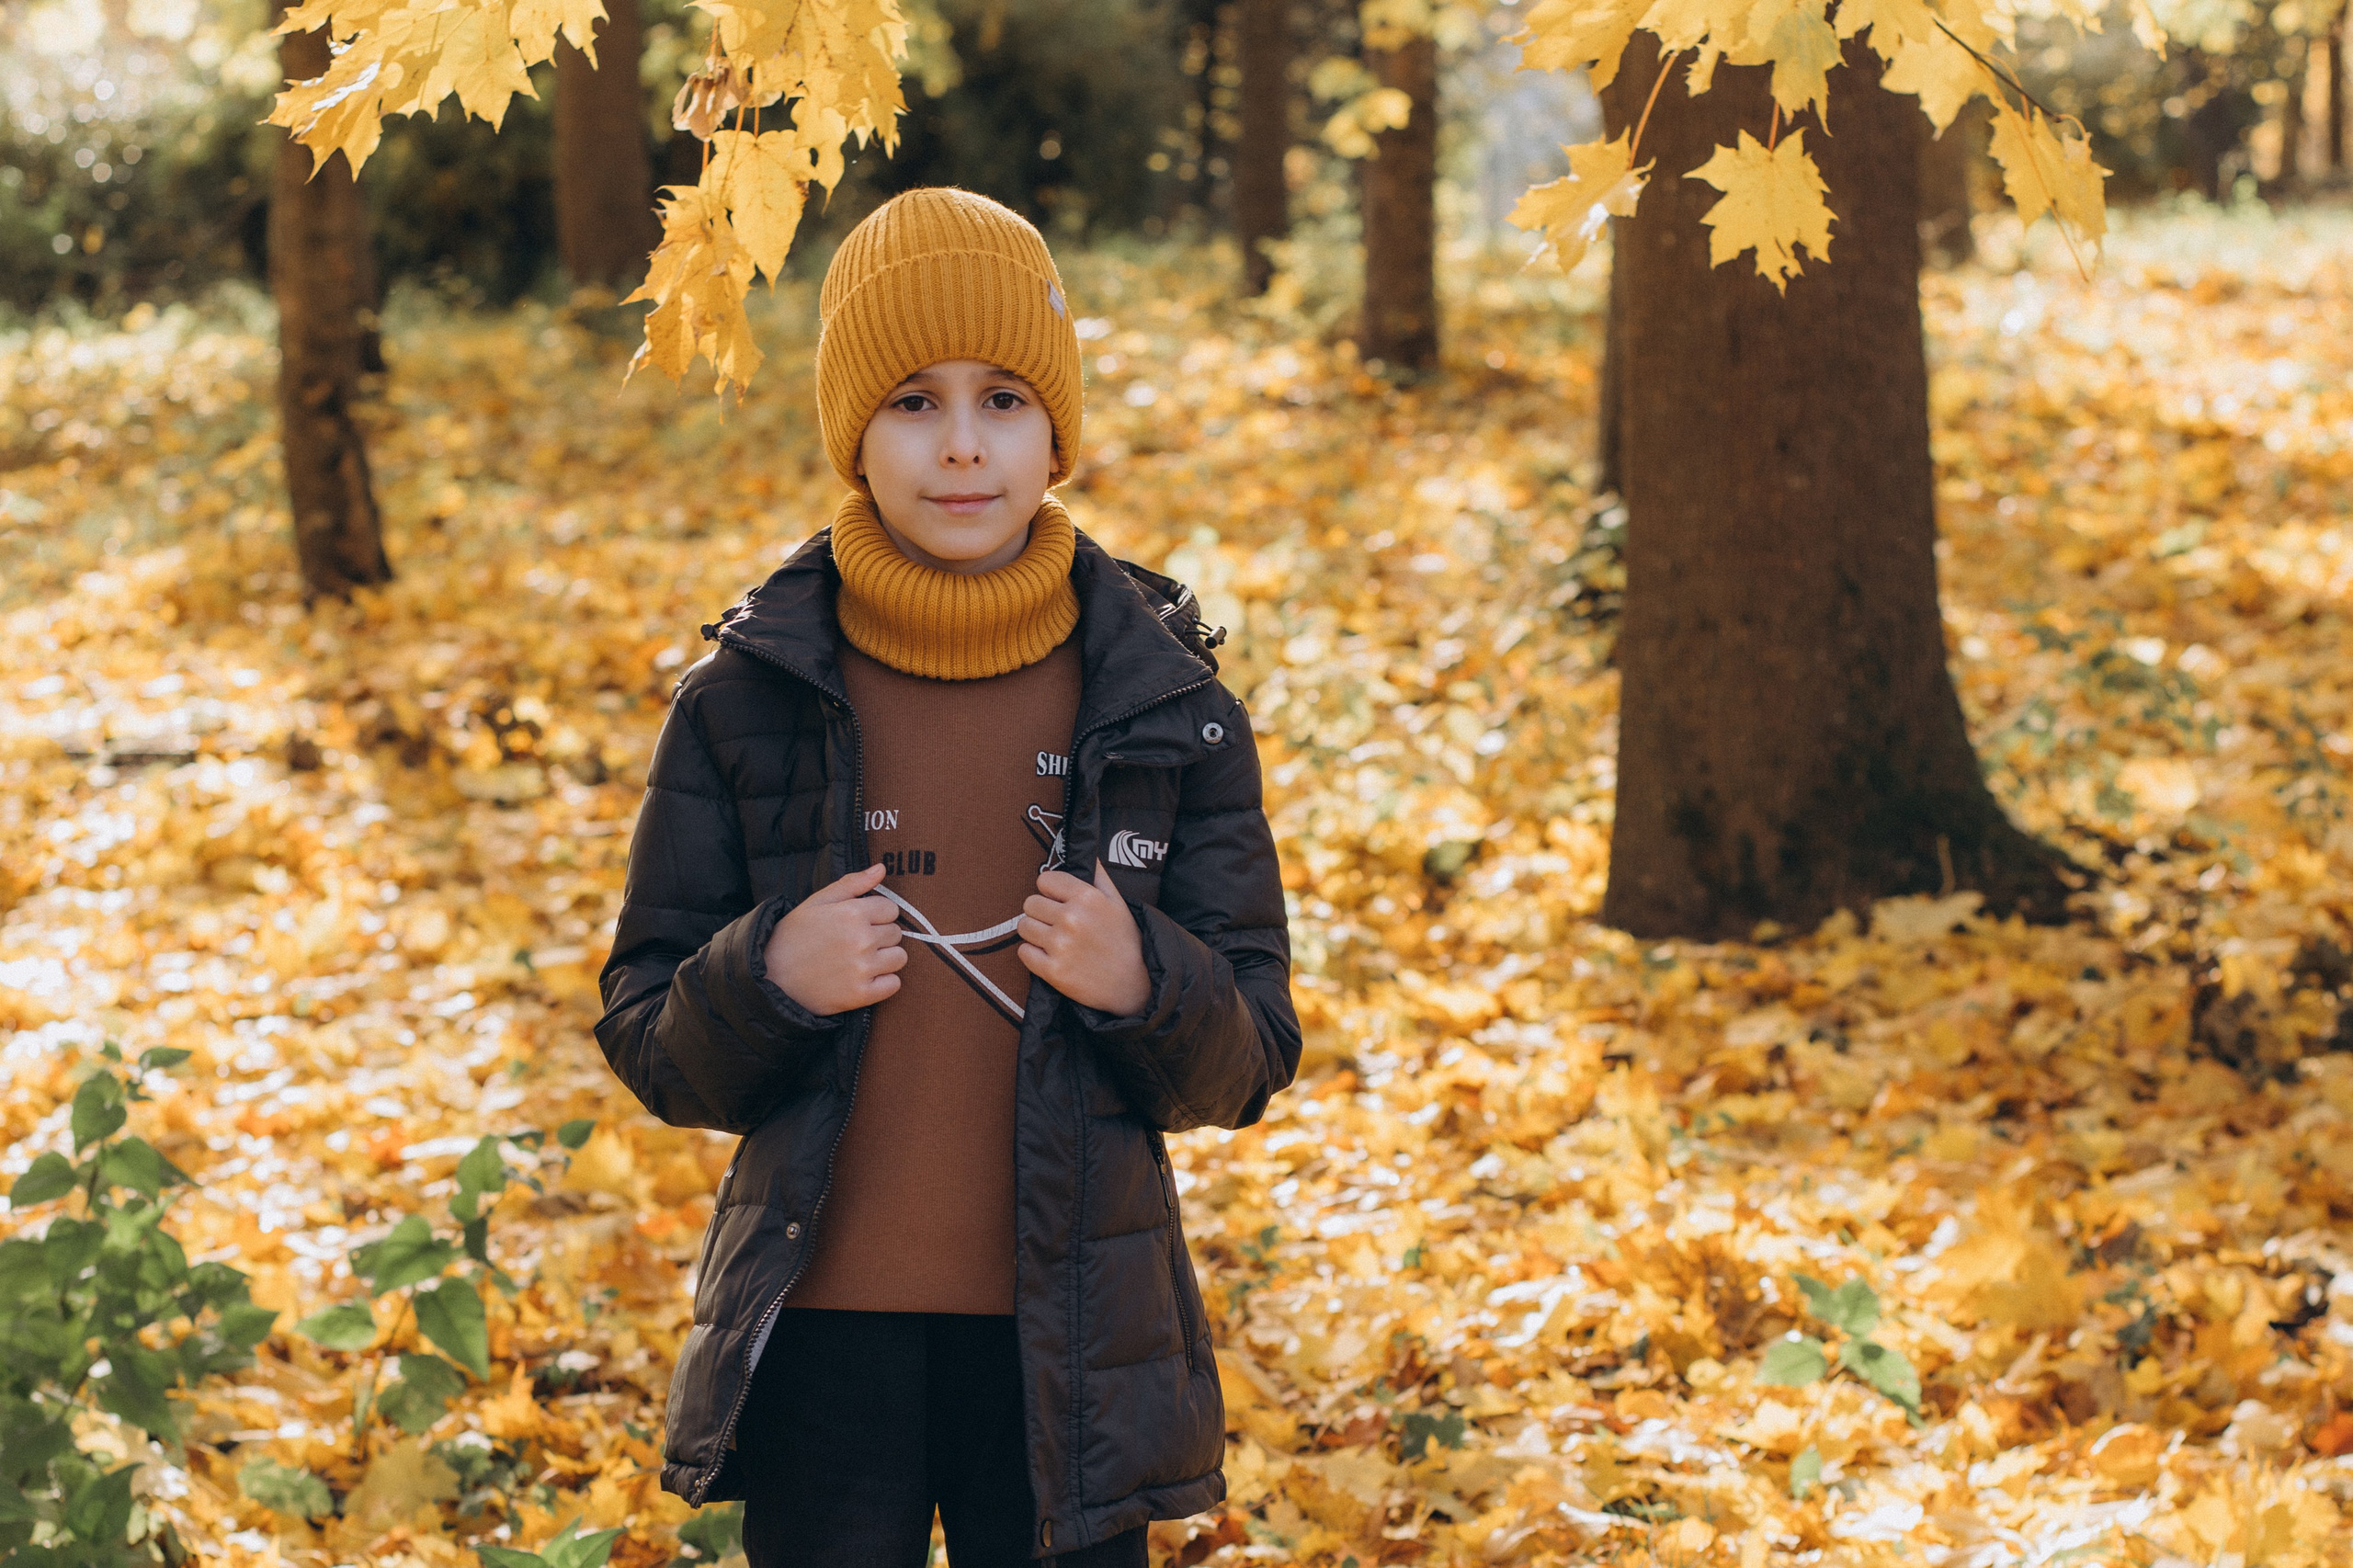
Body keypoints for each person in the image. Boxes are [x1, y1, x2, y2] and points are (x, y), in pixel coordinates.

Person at [595, 187, 1301, 1568]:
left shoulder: (1169, 704)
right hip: (815, 1343)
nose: (964, 445)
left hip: (1072, 1346)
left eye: (1005, 402)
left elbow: (1248, 1056)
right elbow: (651, 1036)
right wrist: (767, 977)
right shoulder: (747, 700)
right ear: (853, 433)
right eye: (913, 401)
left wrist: (1143, 979)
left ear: (1059, 434)